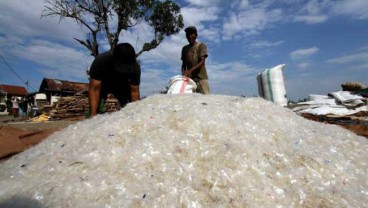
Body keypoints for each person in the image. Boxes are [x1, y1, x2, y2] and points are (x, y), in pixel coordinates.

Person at [88, 43, 141, 117]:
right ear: (113, 57)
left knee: (130, 111)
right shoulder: (101, 61)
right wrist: (92, 116)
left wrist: (136, 114)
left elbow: (134, 91)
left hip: (123, 85)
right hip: (104, 83)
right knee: (94, 114)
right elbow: (95, 89)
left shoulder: (135, 67)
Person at [181, 26, 210, 94]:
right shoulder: (184, 49)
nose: (190, 36)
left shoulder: (201, 46)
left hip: (201, 79)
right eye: (188, 34)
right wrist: (183, 73)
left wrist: (189, 71)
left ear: (196, 36)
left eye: (192, 34)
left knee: (206, 100)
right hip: (190, 81)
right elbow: (183, 64)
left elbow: (202, 62)